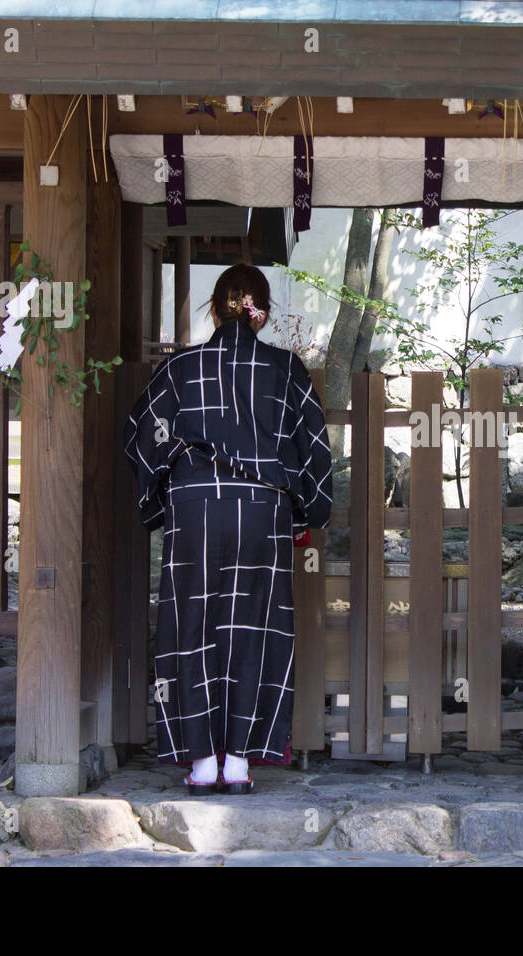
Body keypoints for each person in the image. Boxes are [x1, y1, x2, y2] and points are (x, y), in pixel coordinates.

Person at [123, 263, 332, 795]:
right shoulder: (286, 370)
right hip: (262, 512)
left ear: (214, 310)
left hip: (195, 509)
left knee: (191, 627)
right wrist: (305, 513)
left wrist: (159, 504)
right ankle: (239, 761)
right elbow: (315, 454)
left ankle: (199, 763)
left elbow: (141, 439)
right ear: (261, 315)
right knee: (255, 629)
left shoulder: (179, 369)